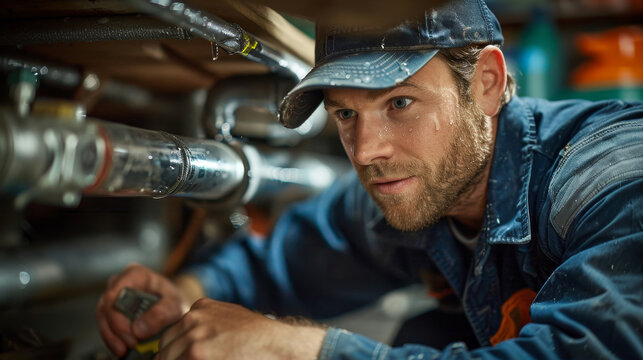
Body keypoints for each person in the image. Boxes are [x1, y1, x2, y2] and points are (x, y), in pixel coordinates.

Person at [96, 0, 643, 359]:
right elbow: (291, 258)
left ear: (487, 83)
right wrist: (185, 293)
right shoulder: (418, 184)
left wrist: (301, 350)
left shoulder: (608, 175)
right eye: (345, 115)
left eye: (399, 102)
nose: (367, 150)